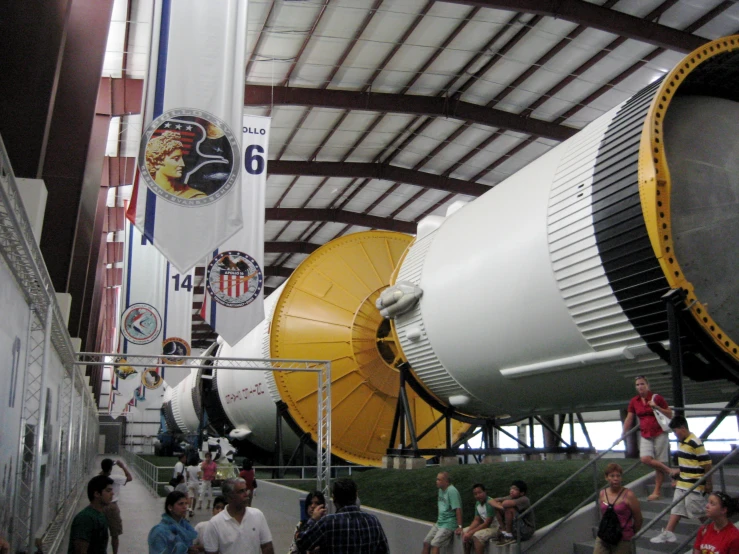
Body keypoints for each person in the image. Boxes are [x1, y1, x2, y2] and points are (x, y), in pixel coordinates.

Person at [651, 415, 712, 544]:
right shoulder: (682, 443)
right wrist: (677, 473)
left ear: (682, 428)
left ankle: (714, 529)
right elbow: (689, 464)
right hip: (683, 483)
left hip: (694, 484)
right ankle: (668, 532)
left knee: (698, 511)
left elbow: (706, 464)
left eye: (675, 431)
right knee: (676, 508)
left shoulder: (695, 442)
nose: (675, 434)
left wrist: (708, 482)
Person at [295, 478, 389, 554]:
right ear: (356, 495)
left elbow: (301, 543)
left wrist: (313, 519)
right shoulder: (373, 521)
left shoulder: (328, 523)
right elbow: (384, 550)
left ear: (334, 498)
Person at [622, 375, 673, 500]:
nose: (640, 386)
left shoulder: (656, 397)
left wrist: (656, 407)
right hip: (645, 433)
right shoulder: (634, 401)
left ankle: (657, 491)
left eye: (642, 384)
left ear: (647, 385)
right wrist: (623, 433)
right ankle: (671, 472)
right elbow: (629, 418)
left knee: (659, 461)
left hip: (659, 432)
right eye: (638, 385)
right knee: (645, 458)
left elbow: (670, 414)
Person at [203, 477, 274, 554]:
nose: (246, 494)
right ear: (228, 497)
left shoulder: (257, 515)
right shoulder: (214, 524)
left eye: (245, 490)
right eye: (241, 491)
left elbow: (267, 546)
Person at [594, 463, 643, 554]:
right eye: (612, 476)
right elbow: (604, 513)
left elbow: (638, 519)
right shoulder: (602, 493)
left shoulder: (629, 495)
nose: (615, 479)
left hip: (623, 537)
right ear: (606, 477)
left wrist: (629, 533)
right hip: (604, 535)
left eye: (618, 476)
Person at [145, 131, 205, 199]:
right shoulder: (144, 193)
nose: (183, 164)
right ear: (157, 162)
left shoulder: (195, 196)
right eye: (176, 159)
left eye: (181, 158)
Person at [68, 475, 114, 554]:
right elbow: (80, 551)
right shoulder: (85, 518)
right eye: (108, 491)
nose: (112, 494)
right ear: (97, 494)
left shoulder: (100, 515)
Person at [423, 471, 463, 554]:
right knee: (426, 542)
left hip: (448, 524)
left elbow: (458, 509)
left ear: (446, 482)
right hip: (440, 523)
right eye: (437, 479)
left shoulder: (452, 491)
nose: (436, 481)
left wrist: (459, 526)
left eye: (439, 480)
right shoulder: (440, 490)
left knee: (435, 543)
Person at [99, 458, 132, 554]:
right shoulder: (115, 478)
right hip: (112, 506)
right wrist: (123, 467)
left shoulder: (100, 478)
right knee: (114, 534)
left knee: (101, 533)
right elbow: (129, 478)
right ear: (110, 469)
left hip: (101, 506)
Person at [487, 479, 535, 546]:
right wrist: (500, 507)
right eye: (511, 488)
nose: (511, 490)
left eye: (515, 489)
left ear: (522, 493)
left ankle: (509, 536)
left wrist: (502, 506)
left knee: (509, 509)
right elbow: (491, 501)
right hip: (516, 528)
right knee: (497, 506)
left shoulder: (524, 499)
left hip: (526, 530)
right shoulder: (510, 497)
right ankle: (504, 532)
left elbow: (506, 504)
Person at [462, 483, 498, 554]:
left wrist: (471, 533)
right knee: (464, 532)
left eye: (480, 493)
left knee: (477, 536)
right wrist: (468, 532)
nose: (478, 495)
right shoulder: (477, 504)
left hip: (495, 527)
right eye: (475, 494)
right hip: (486, 527)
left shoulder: (490, 502)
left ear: (485, 492)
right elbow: (476, 520)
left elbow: (487, 523)